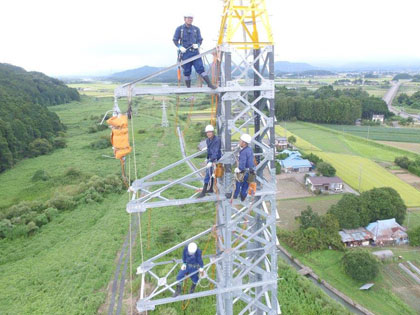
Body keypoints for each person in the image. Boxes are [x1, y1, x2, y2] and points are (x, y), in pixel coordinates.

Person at [173, 14, 216, 89]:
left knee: (200, 68)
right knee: (187, 71)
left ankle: (209, 84)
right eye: (189, 18)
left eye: (191, 18)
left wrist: (198, 45)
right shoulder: (179, 29)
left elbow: (200, 40)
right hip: (185, 53)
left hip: (195, 53)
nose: (190, 19)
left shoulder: (196, 29)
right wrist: (180, 47)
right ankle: (188, 88)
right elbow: (175, 40)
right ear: (185, 19)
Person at [198, 125, 221, 198]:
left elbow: (215, 151)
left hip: (216, 159)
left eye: (210, 132)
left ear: (213, 132)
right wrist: (207, 158)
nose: (208, 134)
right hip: (210, 158)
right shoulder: (208, 140)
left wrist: (211, 161)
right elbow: (209, 149)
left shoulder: (217, 140)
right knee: (210, 173)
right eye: (207, 132)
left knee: (209, 173)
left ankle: (204, 191)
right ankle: (210, 188)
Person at [233, 134, 255, 202]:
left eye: (240, 141)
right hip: (251, 172)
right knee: (245, 186)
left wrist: (239, 169)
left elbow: (242, 162)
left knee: (238, 183)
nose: (239, 142)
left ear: (244, 143)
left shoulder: (243, 152)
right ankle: (243, 196)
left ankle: (235, 195)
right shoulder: (249, 149)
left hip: (244, 171)